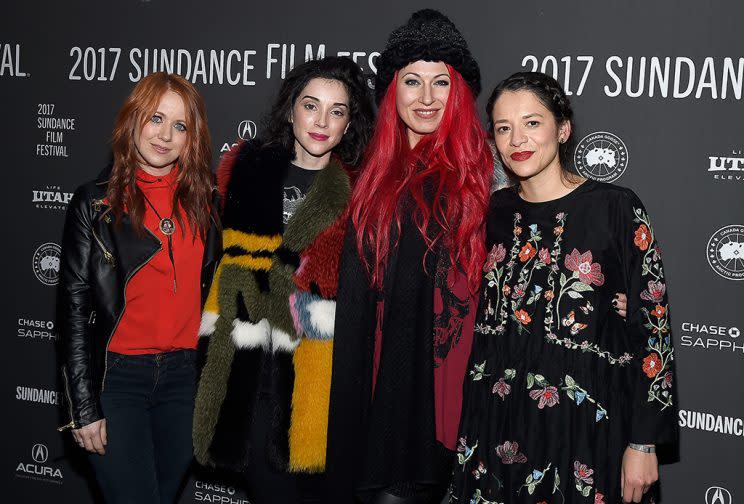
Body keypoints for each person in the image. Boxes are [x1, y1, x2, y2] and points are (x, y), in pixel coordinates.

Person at [450, 72, 678, 504]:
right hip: (492, 423)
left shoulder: (615, 207)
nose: (518, 138)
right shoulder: (490, 211)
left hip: (585, 430)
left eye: (532, 123)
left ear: (564, 128)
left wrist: (644, 443)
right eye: (503, 127)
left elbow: (654, 325)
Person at [325, 10, 497, 504]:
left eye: (440, 83)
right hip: (372, 396)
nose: (426, 98)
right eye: (412, 82)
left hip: (444, 404)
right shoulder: (365, 177)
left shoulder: (488, 176)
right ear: (392, 91)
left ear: (459, 91)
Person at [192, 56, 374, 504]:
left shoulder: (362, 189)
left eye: (337, 111)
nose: (321, 121)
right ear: (290, 108)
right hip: (248, 369)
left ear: (350, 124)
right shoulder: (245, 170)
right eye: (310, 105)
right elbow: (226, 270)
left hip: (322, 375)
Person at [58, 71, 221, 504]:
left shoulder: (208, 202)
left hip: (184, 381)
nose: (165, 135)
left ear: (193, 137)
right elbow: (73, 311)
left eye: (180, 125)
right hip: (118, 381)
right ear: (134, 120)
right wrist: (83, 406)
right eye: (155, 118)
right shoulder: (95, 204)